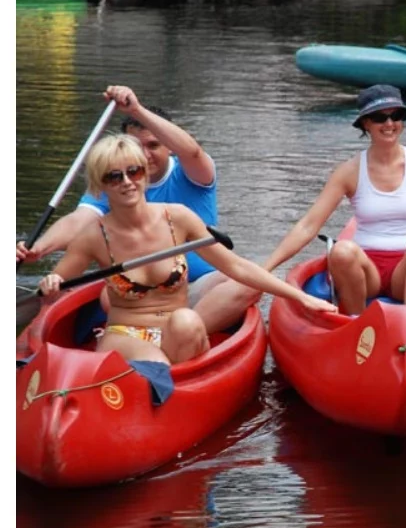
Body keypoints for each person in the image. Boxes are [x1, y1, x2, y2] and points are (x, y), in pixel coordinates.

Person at [37, 134, 336, 364]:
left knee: (187, 321)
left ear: (144, 173)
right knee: (157, 364)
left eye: (134, 171)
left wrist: (301, 297)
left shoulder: (177, 218)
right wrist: (50, 285)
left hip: (177, 331)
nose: (127, 182)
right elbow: (55, 289)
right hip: (125, 335)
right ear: (100, 185)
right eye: (114, 177)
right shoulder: (93, 235)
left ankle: (175, 386)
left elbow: (236, 266)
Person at [17, 85, 258, 333]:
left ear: (169, 146)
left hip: (201, 290)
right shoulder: (114, 182)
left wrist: (136, 110)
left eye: (153, 145)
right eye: (135, 146)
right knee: (107, 295)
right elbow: (79, 220)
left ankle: (177, 335)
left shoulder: (192, 172)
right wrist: (40, 248)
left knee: (243, 283)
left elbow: (193, 151)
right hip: (140, 296)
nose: (144, 155)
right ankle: (159, 336)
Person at [262, 84, 406, 314]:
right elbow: (308, 226)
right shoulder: (348, 171)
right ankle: (356, 321)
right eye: (380, 118)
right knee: (341, 251)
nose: (389, 124)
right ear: (366, 123)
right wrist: (265, 269)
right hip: (367, 271)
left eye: (396, 116)